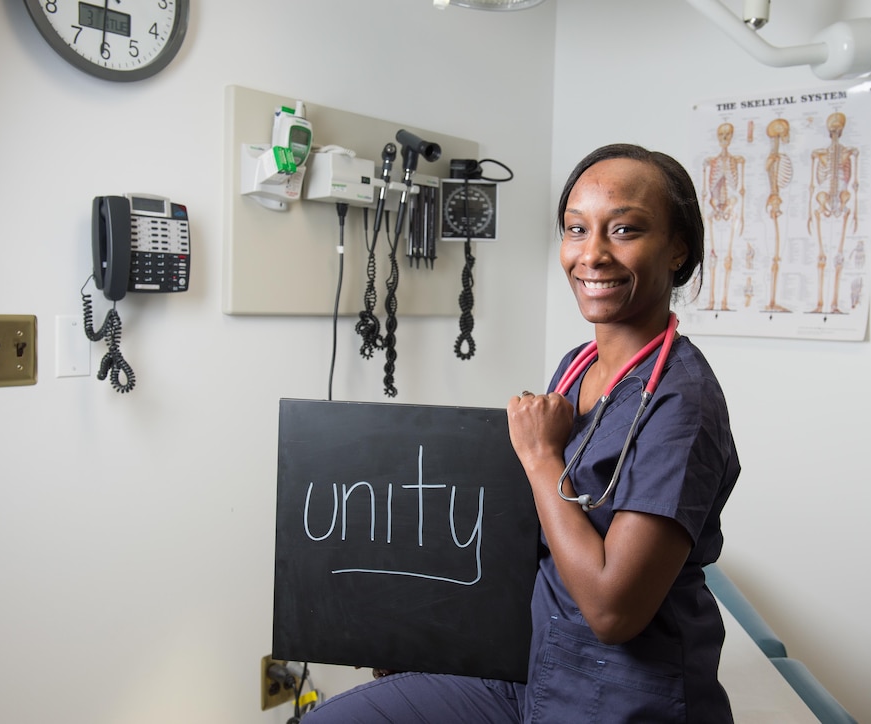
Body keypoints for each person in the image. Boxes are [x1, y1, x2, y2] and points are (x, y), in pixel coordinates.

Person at [303, 143, 741, 723]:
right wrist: (419, 631)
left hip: (621, 700)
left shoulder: (681, 404)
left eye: (625, 230)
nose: (593, 254)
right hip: (531, 668)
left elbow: (614, 611)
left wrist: (540, 457)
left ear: (678, 249)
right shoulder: (576, 367)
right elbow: (527, 535)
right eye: (576, 229)